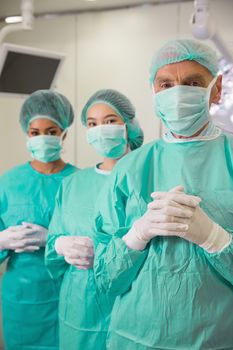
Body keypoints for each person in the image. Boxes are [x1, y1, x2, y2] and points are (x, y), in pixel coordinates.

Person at [93, 39, 233, 349]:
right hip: (135, 337)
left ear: (217, 88)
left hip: (218, 338)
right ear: (154, 92)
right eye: (166, 84)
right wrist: (136, 236)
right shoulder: (129, 168)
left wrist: (215, 238)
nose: (178, 93)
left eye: (193, 83)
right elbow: (104, 278)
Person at [45, 89, 144, 350]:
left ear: (128, 125)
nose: (101, 129)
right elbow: (53, 242)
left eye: (110, 121)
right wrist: (59, 245)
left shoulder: (147, 178)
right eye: (92, 124)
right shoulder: (72, 184)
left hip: (135, 304)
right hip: (80, 308)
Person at [0, 90, 77, 350]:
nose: (43, 137)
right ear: (27, 134)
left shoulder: (79, 182)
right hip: (22, 298)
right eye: (35, 132)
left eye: (51, 131)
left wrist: (53, 239)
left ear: (64, 132)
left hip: (70, 291)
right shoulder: (8, 182)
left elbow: (96, 239)